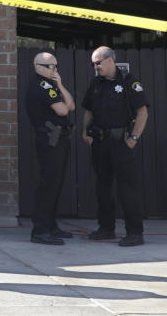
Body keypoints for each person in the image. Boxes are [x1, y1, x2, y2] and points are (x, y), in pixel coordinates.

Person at [81, 46, 150, 247]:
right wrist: (85, 133)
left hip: (121, 143)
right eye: (93, 63)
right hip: (100, 143)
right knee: (103, 187)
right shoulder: (96, 84)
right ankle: (106, 229)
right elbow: (89, 111)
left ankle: (135, 233)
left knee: (127, 188)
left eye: (98, 62)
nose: (95, 66)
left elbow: (142, 112)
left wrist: (133, 138)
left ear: (110, 60)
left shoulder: (129, 82)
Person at [26, 51, 76, 245]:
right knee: (48, 184)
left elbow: (71, 106)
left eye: (56, 66)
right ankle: (40, 230)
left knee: (56, 184)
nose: (54, 70)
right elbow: (62, 109)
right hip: (49, 140)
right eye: (50, 66)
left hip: (58, 139)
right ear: (38, 67)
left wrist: (61, 84)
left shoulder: (53, 85)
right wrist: (58, 87)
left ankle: (51, 225)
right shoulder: (42, 85)